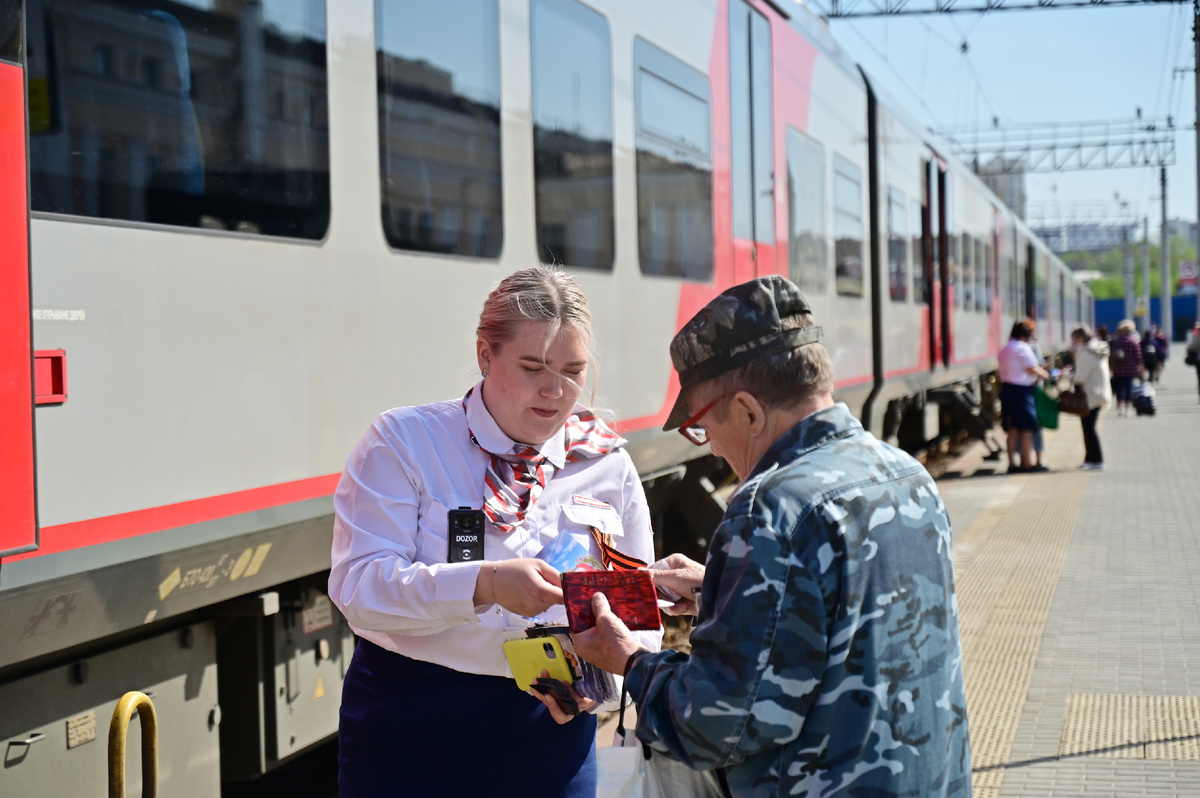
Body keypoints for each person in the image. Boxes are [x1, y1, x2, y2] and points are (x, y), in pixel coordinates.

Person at [567, 276, 972, 797]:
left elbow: (715, 725)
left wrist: (629, 660)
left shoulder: (769, 509)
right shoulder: (904, 474)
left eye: (701, 425)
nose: (709, 447)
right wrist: (719, 586)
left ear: (749, 410)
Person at [328, 267, 659, 797]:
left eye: (573, 371)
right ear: (486, 355)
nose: (555, 391)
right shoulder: (404, 443)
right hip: (414, 728)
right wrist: (484, 585)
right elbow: (359, 589)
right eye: (533, 368)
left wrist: (601, 682)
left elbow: (637, 609)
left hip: (553, 733)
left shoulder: (605, 464)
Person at [998, 319, 1050, 473]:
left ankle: (1012, 464)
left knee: (1013, 429)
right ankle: (1027, 465)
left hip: (1007, 390)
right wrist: (1046, 375)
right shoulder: (1022, 348)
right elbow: (1032, 368)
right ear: (1025, 335)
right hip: (1022, 391)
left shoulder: (1005, 348)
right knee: (1027, 429)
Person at [1069, 325, 1112, 471]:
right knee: (1088, 427)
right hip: (1098, 393)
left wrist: (1064, 375)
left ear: (1081, 339)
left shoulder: (1087, 354)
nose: (1072, 343)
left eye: (1074, 339)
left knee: (1089, 428)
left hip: (1091, 395)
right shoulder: (1096, 350)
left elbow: (1080, 377)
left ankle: (1097, 460)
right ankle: (1089, 459)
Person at [1109, 319, 1144, 416]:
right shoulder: (1134, 342)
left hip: (1118, 368)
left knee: (1119, 389)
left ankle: (1120, 407)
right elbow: (1138, 358)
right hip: (1130, 369)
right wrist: (1141, 370)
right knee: (1128, 388)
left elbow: (1111, 354)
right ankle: (1127, 408)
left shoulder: (1115, 341)